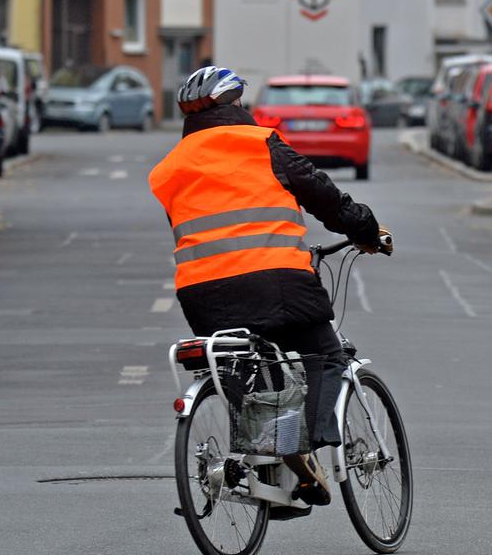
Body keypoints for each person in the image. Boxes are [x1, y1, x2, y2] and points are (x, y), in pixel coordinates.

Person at [149, 66, 390, 511]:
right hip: (277, 279)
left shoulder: (168, 169)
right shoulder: (261, 143)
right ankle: (309, 444)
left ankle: (271, 460)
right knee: (325, 357)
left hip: (201, 294)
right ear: (232, 105)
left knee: (246, 366)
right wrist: (368, 231)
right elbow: (325, 198)